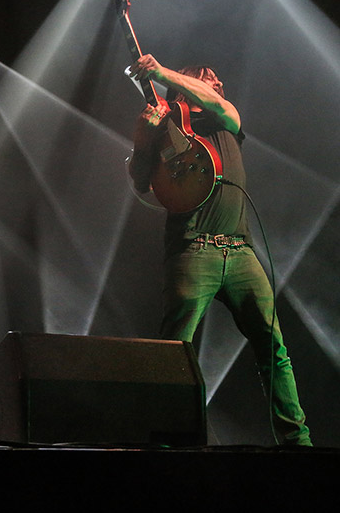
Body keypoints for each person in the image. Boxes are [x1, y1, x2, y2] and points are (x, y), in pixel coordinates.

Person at [128, 54, 312, 446]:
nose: (215, 79)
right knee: (174, 352)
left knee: (273, 346)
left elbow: (217, 103)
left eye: (215, 77)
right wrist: (143, 140)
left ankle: (298, 443)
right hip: (193, 248)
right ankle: (168, 441)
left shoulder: (225, 118)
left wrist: (160, 73)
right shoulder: (167, 127)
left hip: (241, 252)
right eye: (204, 76)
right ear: (184, 87)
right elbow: (141, 184)